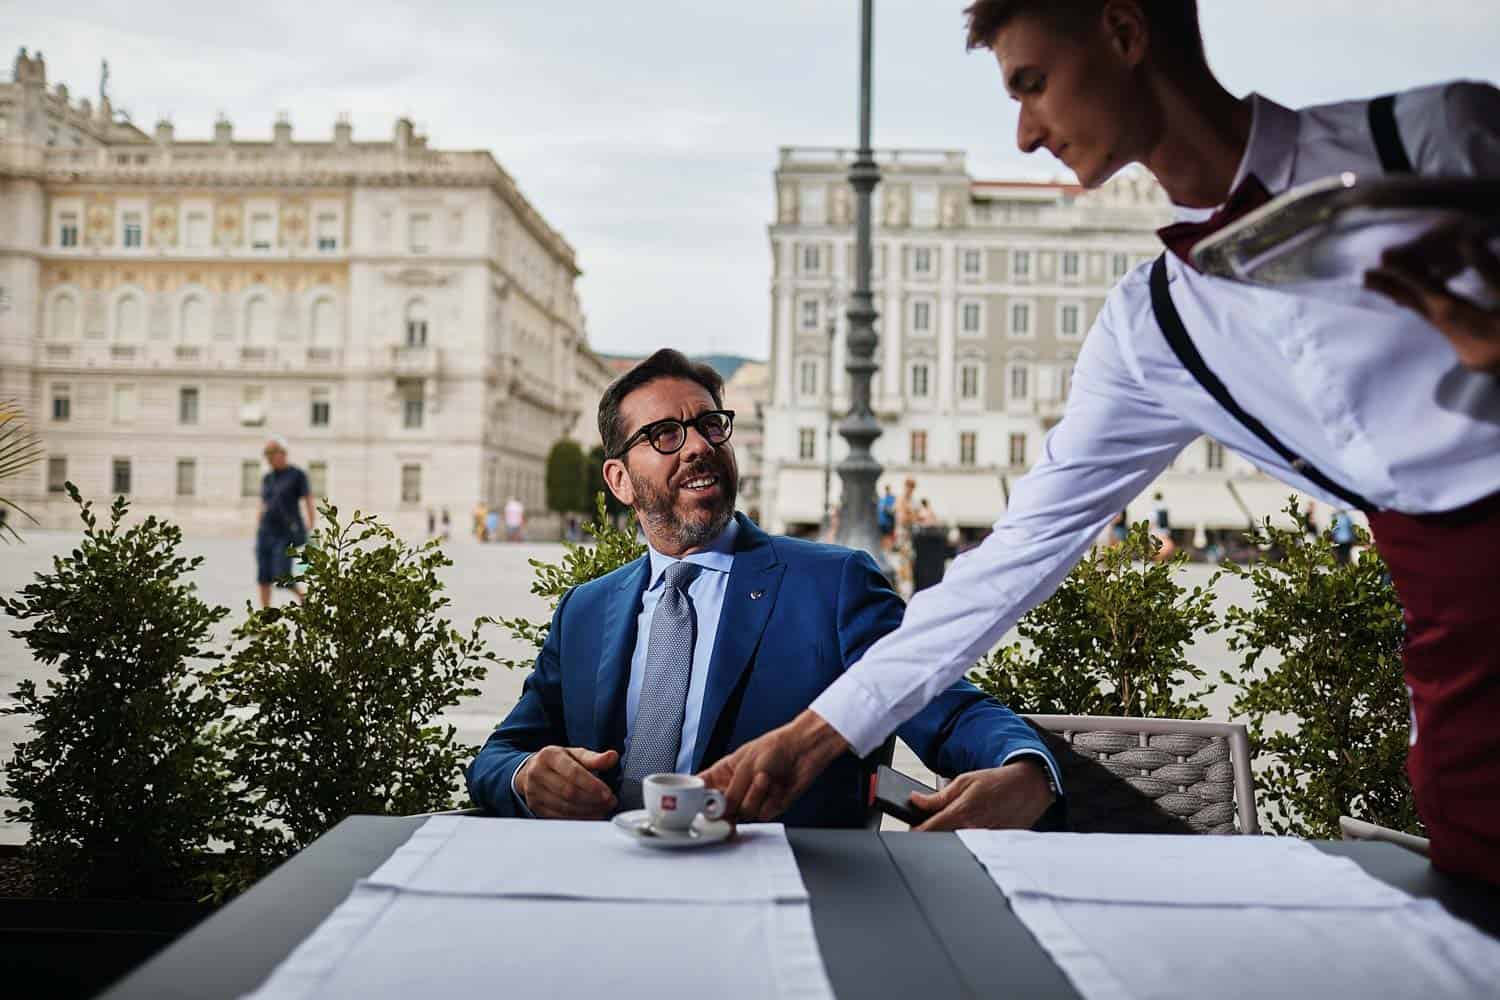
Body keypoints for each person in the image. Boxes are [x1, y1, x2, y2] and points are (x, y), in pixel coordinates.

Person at [702, 1, 1500, 885]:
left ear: (1124, 33)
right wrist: (816, 736)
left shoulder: (1438, 138)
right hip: (1461, 683)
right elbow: (1013, 560)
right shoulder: (1148, 330)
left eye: (1033, 85)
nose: (1025, 133)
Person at [466, 349, 1060, 829]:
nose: (698, 444)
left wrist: (1024, 769)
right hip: (599, 896)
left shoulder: (832, 587)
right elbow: (497, 757)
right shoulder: (585, 611)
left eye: (708, 425)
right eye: (665, 434)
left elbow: (946, 706)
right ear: (619, 479)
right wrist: (526, 776)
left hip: (780, 903)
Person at [255, 435, 314, 609]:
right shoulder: (268, 477)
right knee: (263, 576)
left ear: (282, 454)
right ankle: (265, 615)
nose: (270, 459)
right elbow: (263, 502)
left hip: (285, 533)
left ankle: (304, 598)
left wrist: (311, 524)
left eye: (273, 454)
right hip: (265, 532)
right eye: (268, 456)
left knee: (282, 576)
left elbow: (308, 499)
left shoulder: (297, 475)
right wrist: (258, 522)